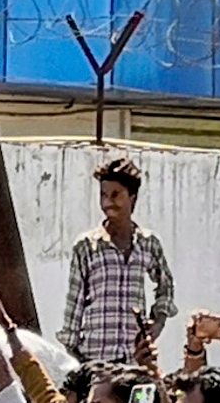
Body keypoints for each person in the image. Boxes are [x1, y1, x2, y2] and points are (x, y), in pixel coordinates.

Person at [62, 154, 177, 369]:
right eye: (103, 195)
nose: (108, 202)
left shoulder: (148, 243)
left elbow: (166, 284)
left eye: (116, 195)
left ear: (132, 197)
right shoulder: (87, 246)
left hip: (134, 362)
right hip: (96, 361)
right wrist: (74, 356)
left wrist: (158, 321)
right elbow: (74, 304)